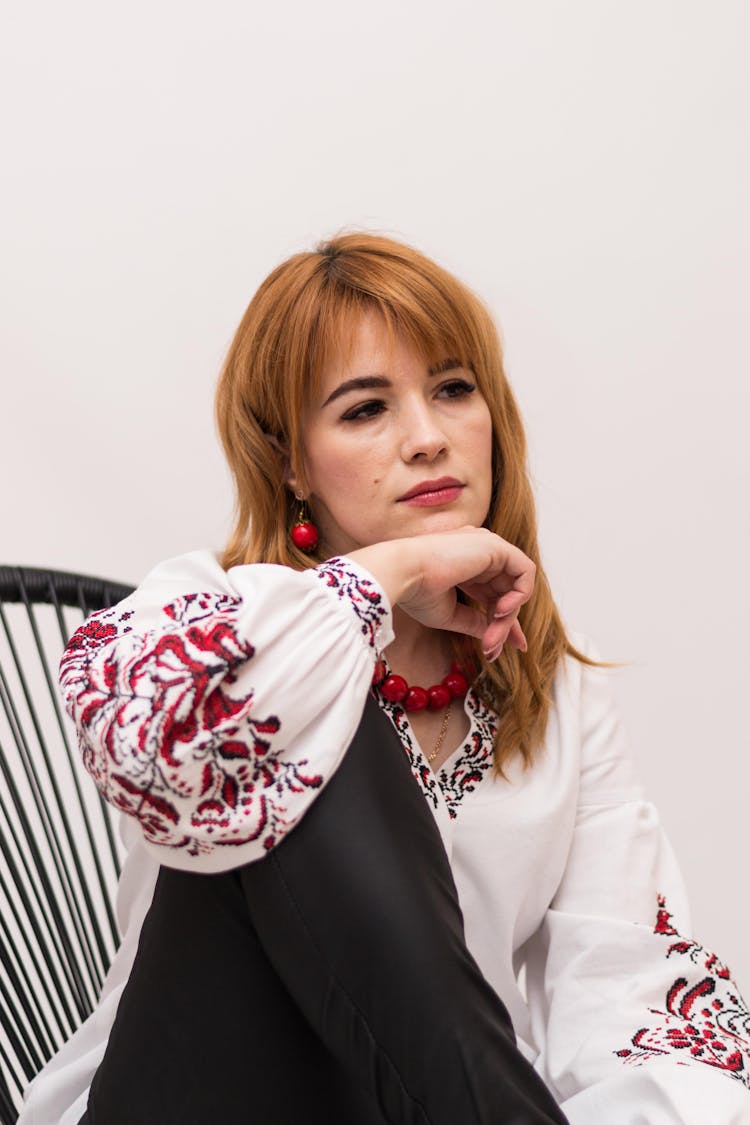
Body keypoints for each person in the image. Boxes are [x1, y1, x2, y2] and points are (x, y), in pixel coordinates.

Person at [19, 233, 750, 1124]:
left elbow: (631, 979)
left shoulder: (554, 685)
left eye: (453, 389)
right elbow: (146, 745)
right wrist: (387, 577)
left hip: (414, 1104)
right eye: (365, 409)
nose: (428, 437)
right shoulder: (220, 612)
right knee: (308, 717)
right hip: (191, 1096)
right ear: (291, 462)